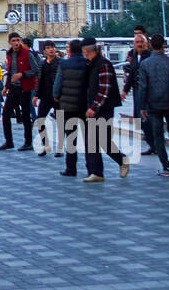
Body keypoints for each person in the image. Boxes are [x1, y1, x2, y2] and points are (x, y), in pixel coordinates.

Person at [80, 37, 128, 182]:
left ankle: (121, 160)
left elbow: (104, 89)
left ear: (85, 50)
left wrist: (94, 107)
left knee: (103, 141)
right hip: (92, 108)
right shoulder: (90, 64)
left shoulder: (103, 64)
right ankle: (96, 172)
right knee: (91, 141)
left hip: (103, 109)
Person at [139, 34, 169, 177]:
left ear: (151, 45)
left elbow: (143, 86)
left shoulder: (145, 64)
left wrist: (142, 106)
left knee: (158, 136)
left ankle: (166, 168)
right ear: (164, 45)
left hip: (153, 104)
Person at [52, 39, 88, 177]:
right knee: (88, 138)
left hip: (68, 106)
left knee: (70, 138)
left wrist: (56, 96)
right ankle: (90, 166)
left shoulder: (64, 64)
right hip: (84, 105)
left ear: (70, 50)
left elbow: (58, 83)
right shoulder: (87, 64)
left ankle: (71, 168)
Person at [0, 32, 40, 151]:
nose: (16, 43)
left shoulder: (27, 54)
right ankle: (9, 141)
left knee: (26, 116)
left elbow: (36, 70)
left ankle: (28, 142)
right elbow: (10, 71)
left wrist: (22, 74)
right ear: (9, 42)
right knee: (6, 114)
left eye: (18, 40)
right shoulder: (10, 54)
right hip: (13, 88)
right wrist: (6, 87)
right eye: (14, 40)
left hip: (24, 89)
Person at [122, 29, 154, 153]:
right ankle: (153, 144)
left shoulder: (149, 56)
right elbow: (132, 74)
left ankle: (154, 144)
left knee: (146, 118)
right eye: (137, 42)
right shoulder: (135, 56)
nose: (139, 44)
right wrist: (125, 90)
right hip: (137, 90)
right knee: (139, 119)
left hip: (147, 92)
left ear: (146, 44)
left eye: (142, 42)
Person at [31, 41, 61, 156]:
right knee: (40, 120)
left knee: (61, 122)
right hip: (45, 96)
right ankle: (45, 145)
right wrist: (35, 96)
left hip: (58, 97)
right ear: (45, 51)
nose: (51, 50)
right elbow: (40, 80)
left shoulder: (60, 62)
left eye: (53, 47)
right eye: (48, 48)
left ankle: (59, 148)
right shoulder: (42, 64)